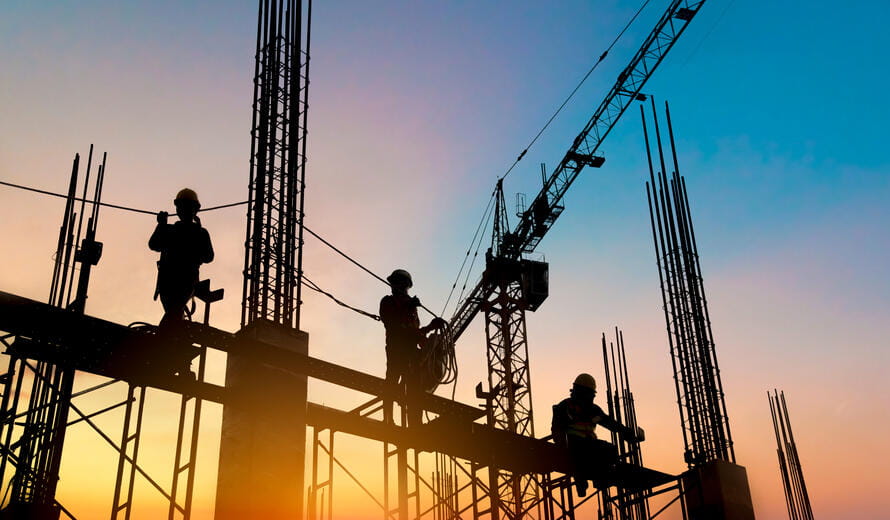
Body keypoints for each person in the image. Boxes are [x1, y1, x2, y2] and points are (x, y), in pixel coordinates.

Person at [551, 373, 645, 496]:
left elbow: (609, 422)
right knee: (579, 457)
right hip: (574, 444)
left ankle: (599, 479)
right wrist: (561, 446)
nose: (590, 398)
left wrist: (627, 433)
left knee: (610, 450)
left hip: (589, 444)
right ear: (582, 392)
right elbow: (556, 428)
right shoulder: (565, 406)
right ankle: (582, 481)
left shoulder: (593, 409)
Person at [379, 269, 445, 424]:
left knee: (415, 388)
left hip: (411, 353)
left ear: (406, 286)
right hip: (396, 350)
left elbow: (415, 334)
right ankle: (388, 420)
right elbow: (393, 324)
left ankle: (415, 425)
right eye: (396, 283)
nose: (398, 286)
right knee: (392, 382)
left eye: (402, 284)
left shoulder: (412, 309)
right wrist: (408, 307)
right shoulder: (388, 301)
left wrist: (430, 331)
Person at [149, 188, 214, 329]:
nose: (183, 210)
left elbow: (209, 256)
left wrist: (161, 225)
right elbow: (153, 244)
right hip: (174, 282)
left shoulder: (197, 233)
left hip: (178, 282)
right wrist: (161, 226)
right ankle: (170, 337)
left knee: (173, 312)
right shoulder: (191, 232)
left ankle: (164, 338)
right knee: (174, 313)